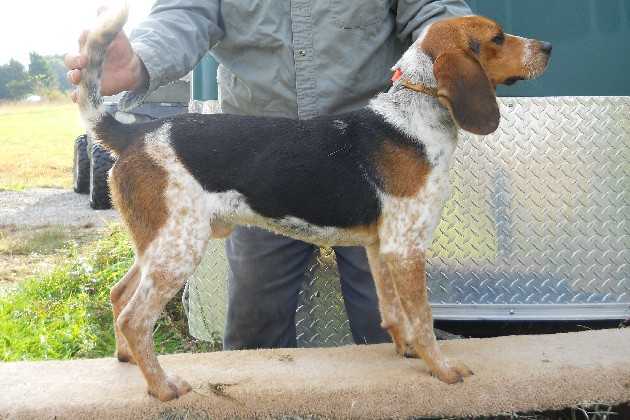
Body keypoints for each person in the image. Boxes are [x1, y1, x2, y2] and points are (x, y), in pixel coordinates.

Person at [65, 0, 472, 351]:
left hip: (371, 156)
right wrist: (141, 59)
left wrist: (469, 49)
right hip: (257, 162)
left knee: (387, 328)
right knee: (254, 333)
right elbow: (187, 11)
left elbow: (432, 9)